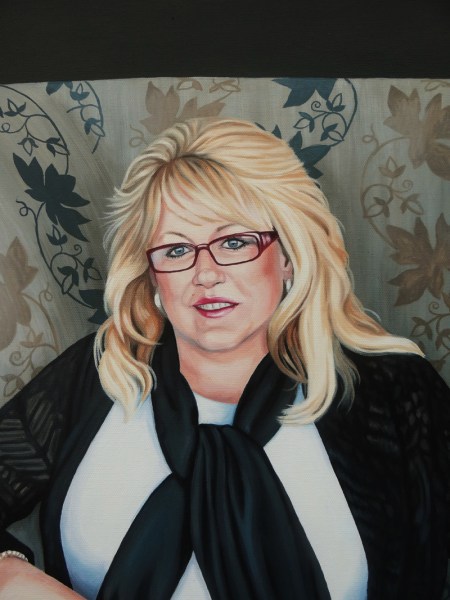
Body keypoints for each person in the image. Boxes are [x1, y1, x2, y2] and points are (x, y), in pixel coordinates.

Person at [0, 117, 448, 600]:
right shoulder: (99, 373)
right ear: (150, 273)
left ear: (289, 255)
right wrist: (12, 576)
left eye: (234, 242)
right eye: (176, 250)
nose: (206, 273)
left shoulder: (395, 392)